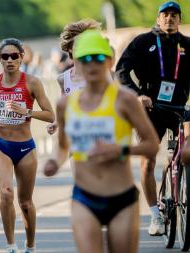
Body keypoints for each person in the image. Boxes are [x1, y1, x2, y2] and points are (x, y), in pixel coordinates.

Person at [44, 30, 160, 253]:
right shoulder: (65, 104)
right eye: (85, 59)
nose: (92, 64)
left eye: (98, 58)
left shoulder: (125, 100)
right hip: (84, 197)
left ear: (109, 61)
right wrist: (54, 162)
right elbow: (62, 146)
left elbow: (152, 144)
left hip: (121, 198)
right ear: (76, 62)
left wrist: (121, 149)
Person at [116, 1, 190, 235]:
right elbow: (121, 71)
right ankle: (155, 216)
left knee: (187, 153)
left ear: (179, 20)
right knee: (147, 162)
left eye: (174, 15)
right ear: (158, 19)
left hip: (179, 108)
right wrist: (138, 95)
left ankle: (178, 171)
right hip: (151, 110)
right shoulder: (143, 42)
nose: (169, 18)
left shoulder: (187, 45)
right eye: (165, 15)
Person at [0, 38, 55, 253]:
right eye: (4, 57)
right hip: (0, 145)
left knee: (26, 203)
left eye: (14, 56)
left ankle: (30, 246)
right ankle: (11, 246)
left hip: (25, 148)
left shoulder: (32, 82)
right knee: (6, 193)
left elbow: (50, 114)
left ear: (21, 57)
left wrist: (26, 112)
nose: (9, 60)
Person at [47, 19, 102, 135]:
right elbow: (64, 106)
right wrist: (56, 122)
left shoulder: (102, 75)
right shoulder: (63, 79)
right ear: (70, 48)